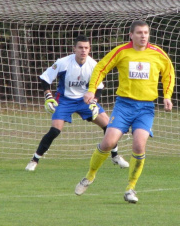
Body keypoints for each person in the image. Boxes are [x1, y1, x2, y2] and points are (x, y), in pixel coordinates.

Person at [74, 20, 175, 203]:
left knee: (138, 146)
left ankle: (131, 188)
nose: (143, 36)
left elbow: (169, 73)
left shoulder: (158, 54)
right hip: (124, 105)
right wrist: (91, 89)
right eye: (139, 33)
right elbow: (100, 68)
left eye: (145, 33)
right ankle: (89, 176)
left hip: (145, 108)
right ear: (131, 35)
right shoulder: (121, 51)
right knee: (108, 142)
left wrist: (167, 96)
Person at [25, 35, 129, 171]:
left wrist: (94, 101)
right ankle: (34, 160)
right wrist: (48, 96)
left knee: (109, 126)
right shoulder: (63, 62)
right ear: (74, 48)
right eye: (80, 47)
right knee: (55, 130)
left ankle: (115, 156)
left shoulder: (93, 65)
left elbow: (99, 87)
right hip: (64, 100)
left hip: (85, 100)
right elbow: (45, 78)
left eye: (86, 48)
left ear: (89, 49)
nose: (83, 50)